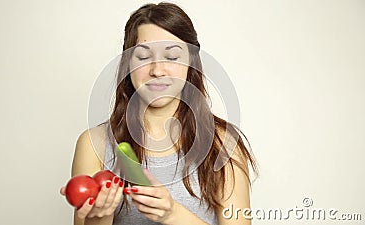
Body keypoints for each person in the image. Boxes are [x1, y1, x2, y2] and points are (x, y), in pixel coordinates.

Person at [61, 2, 258, 225]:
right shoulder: (94, 144)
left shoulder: (223, 143)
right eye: (143, 57)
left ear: (190, 62)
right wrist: (101, 215)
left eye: (172, 57)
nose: (157, 70)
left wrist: (172, 213)